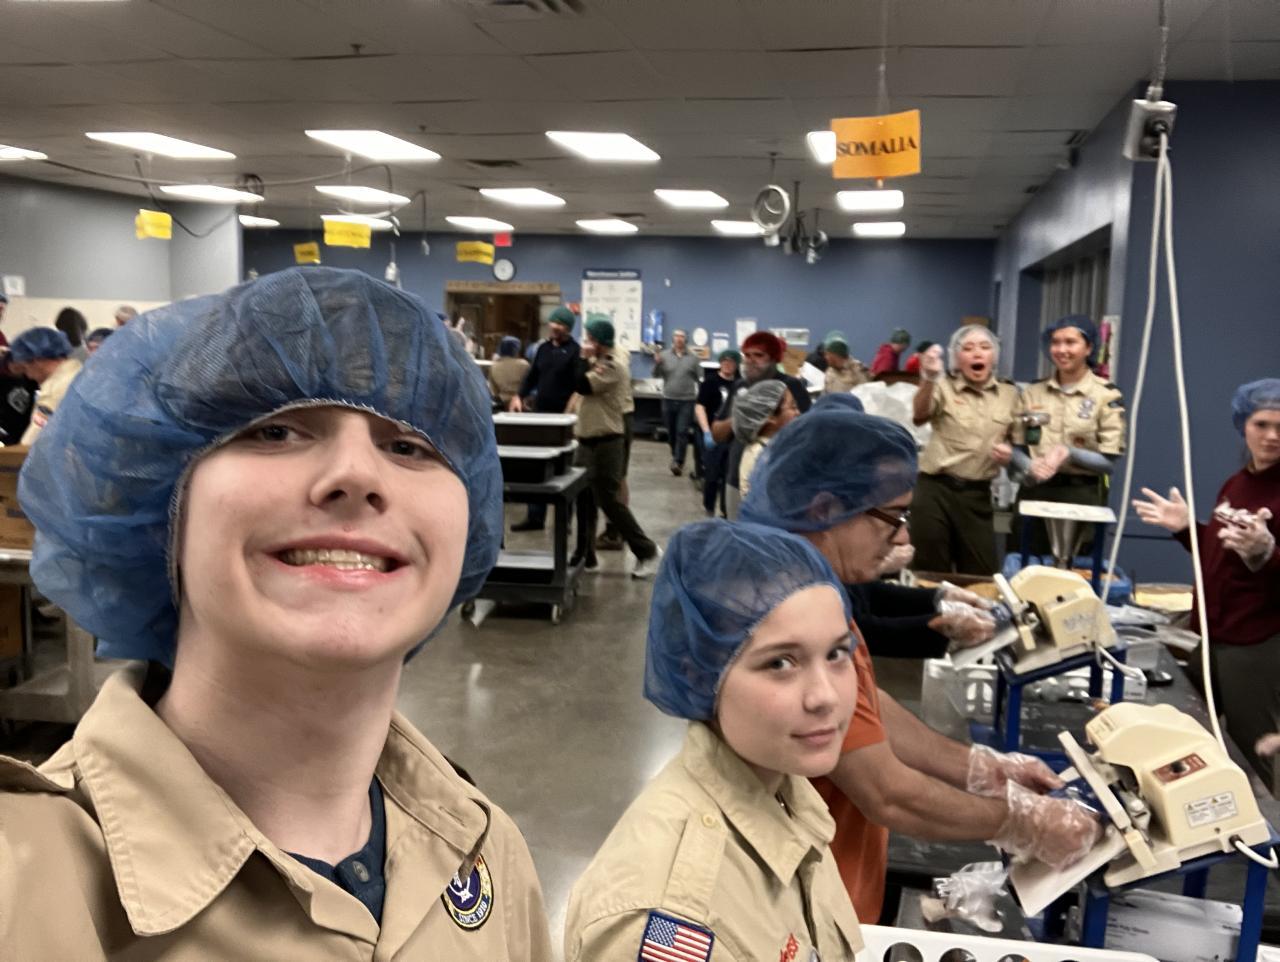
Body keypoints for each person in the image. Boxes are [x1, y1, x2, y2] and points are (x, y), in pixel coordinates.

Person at [0, 268, 554, 958]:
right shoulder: (20, 888)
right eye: (276, 432)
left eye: (409, 446)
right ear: (163, 504)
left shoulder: (484, 849)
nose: (358, 475)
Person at [741, 408, 1102, 922]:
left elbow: (865, 707)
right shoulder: (788, 612)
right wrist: (1024, 822)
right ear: (825, 508)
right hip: (801, 901)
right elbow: (888, 794)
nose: (902, 538)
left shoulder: (819, 590)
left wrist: (983, 768)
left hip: (840, 873)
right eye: (892, 517)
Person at [565, 520, 864, 962]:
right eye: (781, 663)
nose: (826, 696)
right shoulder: (672, 919)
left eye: (837, 653)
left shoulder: (783, 787)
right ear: (699, 674)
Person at [1133, 378, 1280, 790]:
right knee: (1191, 737)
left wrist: (1268, 553)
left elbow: (1261, 559)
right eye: (1262, 424)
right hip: (1214, 638)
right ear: (1243, 425)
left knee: (1258, 752)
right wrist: (1186, 530)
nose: (1271, 436)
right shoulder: (1237, 483)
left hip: (1255, 646)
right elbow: (1219, 556)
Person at [1011, 314, 1126, 555]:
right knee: (1026, 565)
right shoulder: (1032, 393)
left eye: (1070, 342)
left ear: (1089, 348)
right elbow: (1017, 446)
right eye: (1056, 342)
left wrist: (1069, 453)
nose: (1061, 350)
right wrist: (1029, 465)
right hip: (1035, 491)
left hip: (1080, 495)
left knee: (1074, 570)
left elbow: (1109, 463)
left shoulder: (1106, 395)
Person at [911, 324, 1020, 574]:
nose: (977, 353)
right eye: (968, 348)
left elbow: (1018, 440)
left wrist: (1010, 452)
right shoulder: (942, 386)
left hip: (977, 494)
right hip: (935, 489)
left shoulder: (1010, 394)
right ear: (957, 358)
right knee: (930, 568)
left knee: (981, 572)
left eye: (985, 347)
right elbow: (919, 415)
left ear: (994, 356)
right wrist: (928, 378)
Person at [570, 318, 661, 578]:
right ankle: (585, 555)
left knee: (608, 500)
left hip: (607, 441)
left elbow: (581, 385)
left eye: (590, 338)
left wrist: (581, 357)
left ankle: (647, 551)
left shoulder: (612, 366)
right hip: (587, 439)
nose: (587, 342)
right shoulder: (598, 362)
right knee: (584, 499)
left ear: (600, 341)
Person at [710, 331, 810, 517]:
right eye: (747, 355)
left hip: (777, 481)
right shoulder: (740, 387)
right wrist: (743, 418)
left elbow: (807, 434)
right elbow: (717, 433)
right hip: (736, 476)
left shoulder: (791, 387)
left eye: (758, 355)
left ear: (773, 358)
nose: (751, 360)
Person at [511, 306, 580, 532]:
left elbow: (579, 386)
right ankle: (535, 517)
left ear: (568, 328)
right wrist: (519, 395)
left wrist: (570, 412)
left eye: (560, 324)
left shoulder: (575, 352)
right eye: (553, 323)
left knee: (563, 469)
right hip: (540, 416)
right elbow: (532, 376)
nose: (555, 327)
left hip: (564, 419)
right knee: (536, 468)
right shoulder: (543, 349)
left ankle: (564, 520)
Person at [8, 327, 84, 446]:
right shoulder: (80, 372)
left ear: (37, 361)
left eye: (25, 368)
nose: (29, 376)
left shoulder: (54, 392)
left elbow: (30, 444)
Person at [732, 380, 798, 498]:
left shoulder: (774, 447)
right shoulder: (760, 456)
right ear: (771, 417)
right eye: (793, 407)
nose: (798, 412)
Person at [695, 349, 740, 518]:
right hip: (713, 435)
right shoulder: (710, 382)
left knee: (730, 476)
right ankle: (709, 508)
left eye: (732, 362)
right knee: (712, 476)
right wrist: (706, 432)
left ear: (736, 365)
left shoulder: (740, 384)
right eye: (725, 361)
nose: (728, 365)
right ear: (720, 363)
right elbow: (700, 407)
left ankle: (726, 511)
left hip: (733, 438)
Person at [652, 328, 703, 476]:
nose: (679, 339)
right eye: (677, 336)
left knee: (682, 431)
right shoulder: (664, 356)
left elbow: (700, 378)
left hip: (687, 400)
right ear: (673, 339)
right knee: (672, 432)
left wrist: (701, 399)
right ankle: (676, 455)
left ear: (686, 340)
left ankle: (678, 461)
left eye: (682, 336)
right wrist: (657, 363)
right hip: (668, 399)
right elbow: (655, 374)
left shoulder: (693, 358)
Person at [488, 335, 530, 408]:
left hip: (502, 404)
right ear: (516, 350)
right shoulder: (524, 364)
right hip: (520, 403)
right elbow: (530, 384)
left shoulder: (494, 367)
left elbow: (494, 390)